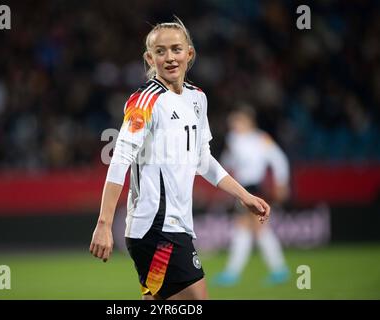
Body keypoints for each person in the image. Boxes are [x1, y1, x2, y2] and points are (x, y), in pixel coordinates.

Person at [89, 17, 271, 300]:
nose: (169, 57)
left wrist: (243, 195)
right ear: (150, 58)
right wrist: (104, 224)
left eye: (176, 49)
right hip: (156, 229)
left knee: (158, 300)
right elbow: (120, 158)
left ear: (190, 53)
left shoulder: (198, 99)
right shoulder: (145, 101)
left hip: (176, 226)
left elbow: (203, 159)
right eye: (160, 51)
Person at [212, 104, 290, 286]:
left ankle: (277, 270)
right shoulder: (234, 140)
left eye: (236, 121)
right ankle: (235, 272)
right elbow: (226, 162)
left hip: (253, 188)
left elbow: (279, 160)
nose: (233, 125)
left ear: (247, 122)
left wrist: (282, 183)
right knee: (245, 228)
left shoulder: (260, 139)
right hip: (242, 188)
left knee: (256, 228)